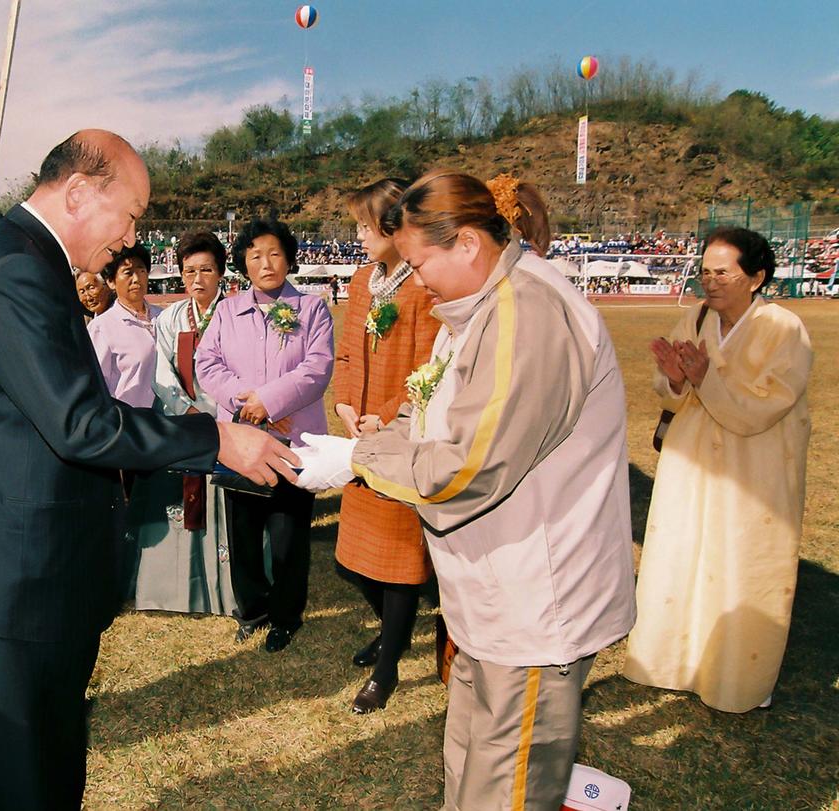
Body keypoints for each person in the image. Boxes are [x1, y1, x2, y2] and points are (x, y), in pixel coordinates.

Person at [0, 129, 296, 810]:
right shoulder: (16, 269)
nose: (132, 236)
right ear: (78, 192)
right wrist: (214, 439)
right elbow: (82, 423)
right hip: (26, 572)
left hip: (9, 565)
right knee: (33, 772)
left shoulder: (14, 255)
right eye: (130, 215)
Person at [294, 172, 636, 809]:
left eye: (423, 262)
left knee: (509, 787)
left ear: (470, 244)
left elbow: (465, 466)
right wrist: (370, 445)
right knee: (472, 768)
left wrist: (358, 460)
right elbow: (424, 413)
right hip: (489, 592)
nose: (417, 280)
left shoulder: (526, 312)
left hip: (536, 597)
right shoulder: (477, 308)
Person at [623, 226, 812, 713]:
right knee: (684, 555)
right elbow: (670, 394)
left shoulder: (784, 329)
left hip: (756, 470)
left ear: (756, 277)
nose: (711, 281)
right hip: (693, 462)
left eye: (723, 271)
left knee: (740, 565)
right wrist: (674, 378)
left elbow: (765, 406)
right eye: (705, 271)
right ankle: (673, 663)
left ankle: (740, 679)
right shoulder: (696, 318)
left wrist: (708, 380)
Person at [196, 216, 334, 652]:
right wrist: (247, 403)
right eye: (255, 255)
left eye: (274, 253)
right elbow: (207, 364)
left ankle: (286, 615)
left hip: (294, 440)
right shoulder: (226, 310)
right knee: (244, 532)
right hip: (242, 439)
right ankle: (252, 608)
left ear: (289, 258)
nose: (266, 262)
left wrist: (270, 402)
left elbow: (317, 368)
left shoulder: (311, 309)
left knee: (288, 535)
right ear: (243, 263)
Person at [331, 178, 440, 713]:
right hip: (361, 436)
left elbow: (427, 368)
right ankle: (391, 633)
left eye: (366, 225)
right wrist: (347, 406)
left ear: (396, 227)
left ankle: (388, 666)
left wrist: (390, 417)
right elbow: (348, 354)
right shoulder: (360, 281)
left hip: (400, 440)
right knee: (352, 562)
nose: (359, 235)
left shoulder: (423, 287)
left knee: (398, 561)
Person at [131, 231, 237, 615]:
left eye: (206, 269)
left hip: (225, 421)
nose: (197, 278)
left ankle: (227, 589)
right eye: (189, 270)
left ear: (221, 273)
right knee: (179, 501)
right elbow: (160, 371)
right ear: (179, 273)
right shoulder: (171, 318)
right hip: (182, 419)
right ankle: (177, 590)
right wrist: (186, 409)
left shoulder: (235, 313)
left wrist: (218, 412)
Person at [87, 243, 161, 407]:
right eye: (128, 273)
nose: (136, 279)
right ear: (111, 282)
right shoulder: (102, 328)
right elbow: (96, 386)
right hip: (130, 423)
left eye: (141, 271)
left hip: (171, 420)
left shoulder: (164, 317)